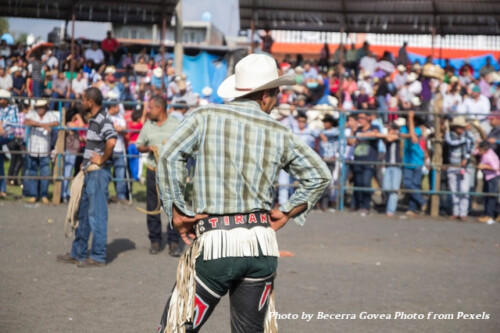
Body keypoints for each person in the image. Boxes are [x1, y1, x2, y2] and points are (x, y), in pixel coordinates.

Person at [156, 54, 331, 332]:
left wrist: (176, 210)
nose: (276, 101)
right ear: (264, 96)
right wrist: (285, 212)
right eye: (275, 94)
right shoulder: (280, 132)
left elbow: (169, 157)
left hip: (216, 244)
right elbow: (320, 175)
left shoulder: (205, 117)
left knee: (176, 328)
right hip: (260, 246)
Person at [56, 87, 117, 267]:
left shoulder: (103, 119)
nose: (82, 103)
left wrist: (101, 159)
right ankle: (78, 252)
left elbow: (111, 141)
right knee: (83, 214)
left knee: (96, 215)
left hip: (97, 173)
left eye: (83, 100)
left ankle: (98, 256)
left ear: (90, 102)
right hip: (90, 172)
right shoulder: (96, 119)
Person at [136, 95, 183, 256]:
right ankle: (155, 241)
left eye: (150, 108)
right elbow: (139, 145)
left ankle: (174, 241)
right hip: (153, 171)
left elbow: (184, 144)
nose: (148, 111)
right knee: (153, 206)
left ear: (159, 108)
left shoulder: (176, 124)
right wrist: (149, 148)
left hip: (170, 173)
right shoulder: (147, 126)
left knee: (173, 207)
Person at [23, 99, 59, 203]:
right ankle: (34, 194)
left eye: (42, 107)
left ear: (46, 107)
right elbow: (26, 121)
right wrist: (42, 125)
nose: (40, 109)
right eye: (38, 107)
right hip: (32, 148)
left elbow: (56, 123)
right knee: (32, 172)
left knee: (45, 173)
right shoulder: (32, 114)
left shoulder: (50, 114)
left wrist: (43, 124)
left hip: (44, 149)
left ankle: (44, 195)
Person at [348, 112, 379, 216]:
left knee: (366, 183)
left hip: (369, 161)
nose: (360, 120)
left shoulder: (374, 127)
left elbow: (374, 134)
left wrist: (360, 135)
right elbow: (350, 142)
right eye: (359, 118)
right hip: (358, 160)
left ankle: (366, 206)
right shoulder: (357, 130)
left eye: (362, 118)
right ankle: (360, 205)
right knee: (358, 183)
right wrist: (353, 130)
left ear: (368, 119)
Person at [444, 117, 473, 220]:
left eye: (462, 127)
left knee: (464, 190)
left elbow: (471, 149)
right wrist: (464, 140)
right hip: (452, 164)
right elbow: (450, 143)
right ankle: (455, 212)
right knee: (454, 190)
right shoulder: (450, 135)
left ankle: (463, 213)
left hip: (465, 166)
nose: (461, 129)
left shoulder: (469, 135)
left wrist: (466, 159)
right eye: (459, 127)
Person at [400, 111, 426, 216]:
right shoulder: (403, 129)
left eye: (410, 120)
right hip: (407, 160)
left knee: (415, 184)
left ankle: (413, 208)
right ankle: (422, 201)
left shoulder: (418, 130)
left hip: (417, 160)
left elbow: (414, 139)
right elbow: (407, 136)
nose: (407, 121)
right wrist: (410, 121)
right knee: (407, 184)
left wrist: (411, 120)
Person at [107, 99, 129, 204]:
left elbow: (125, 130)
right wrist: (114, 128)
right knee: (106, 173)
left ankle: (121, 196)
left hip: (119, 148)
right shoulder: (105, 116)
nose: (119, 109)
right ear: (112, 107)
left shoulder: (120, 118)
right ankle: (104, 195)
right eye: (117, 106)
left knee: (120, 174)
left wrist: (122, 129)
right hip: (107, 149)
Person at [475, 141, 500, 224]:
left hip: (493, 177)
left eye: (480, 149)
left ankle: (489, 216)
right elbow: (475, 152)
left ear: (484, 150)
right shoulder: (485, 152)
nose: (478, 151)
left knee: (491, 197)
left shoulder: (489, 156)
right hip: (488, 176)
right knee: (487, 195)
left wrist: (484, 166)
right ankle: (494, 214)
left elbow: (496, 167)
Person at [382, 119, 404, 217]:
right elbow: (385, 139)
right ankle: (389, 206)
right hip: (388, 165)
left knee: (394, 189)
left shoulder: (398, 136)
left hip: (397, 166)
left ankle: (390, 210)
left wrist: (389, 134)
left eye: (390, 129)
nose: (388, 130)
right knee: (386, 187)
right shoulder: (387, 138)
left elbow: (390, 138)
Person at [0, 89, 18, 197]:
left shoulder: (13, 109)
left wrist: (1, 126)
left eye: (3, 99)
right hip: (2, 136)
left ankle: (2, 189)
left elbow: (14, 124)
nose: (1, 101)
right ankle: (2, 189)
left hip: (8, 137)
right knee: (0, 163)